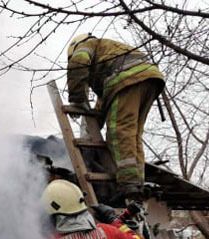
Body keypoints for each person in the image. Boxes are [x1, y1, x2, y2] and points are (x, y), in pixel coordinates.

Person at [66, 34, 165, 198]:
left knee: (119, 132)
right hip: (150, 79)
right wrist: (91, 130)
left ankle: (129, 183)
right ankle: (137, 182)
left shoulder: (86, 45)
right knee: (133, 135)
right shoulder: (107, 53)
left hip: (128, 78)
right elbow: (102, 106)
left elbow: (78, 63)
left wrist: (77, 100)